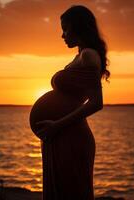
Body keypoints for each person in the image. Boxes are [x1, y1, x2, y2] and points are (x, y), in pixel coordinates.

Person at [30, 5, 110, 200]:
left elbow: (96, 103)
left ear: (79, 27)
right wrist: (54, 130)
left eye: (65, 29)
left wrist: (56, 126)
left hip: (70, 135)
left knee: (72, 193)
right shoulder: (81, 56)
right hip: (59, 134)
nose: (62, 35)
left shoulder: (89, 55)